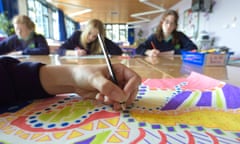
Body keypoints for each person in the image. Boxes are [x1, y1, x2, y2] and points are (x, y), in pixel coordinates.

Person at [0, 56, 141, 111]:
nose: (92, 36)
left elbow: (10, 79)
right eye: (90, 33)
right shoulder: (77, 38)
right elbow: (62, 50)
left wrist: (74, 77)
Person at [58, 19, 122, 56]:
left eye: (95, 36)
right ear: (85, 30)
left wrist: (104, 52)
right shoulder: (77, 35)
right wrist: (74, 53)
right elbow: (60, 50)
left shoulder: (100, 40)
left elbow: (118, 51)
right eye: (89, 33)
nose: (91, 38)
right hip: (78, 67)